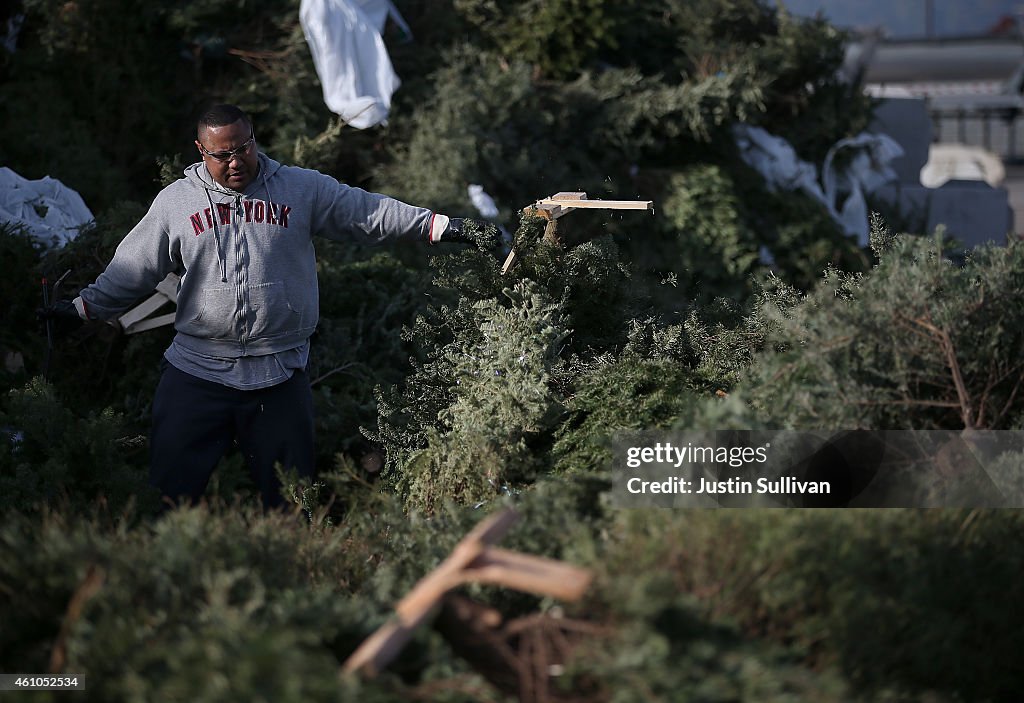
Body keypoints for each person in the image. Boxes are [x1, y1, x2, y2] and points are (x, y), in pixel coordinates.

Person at [40, 104, 489, 509]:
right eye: (221, 155)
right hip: (198, 373)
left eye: (243, 148)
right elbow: (132, 268)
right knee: (168, 499)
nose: (236, 162)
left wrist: (445, 227)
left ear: (253, 140)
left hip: (279, 374)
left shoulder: (300, 188)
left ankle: (294, 583)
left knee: (293, 501)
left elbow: (369, 213)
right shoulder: (176, 204)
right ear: (201, 151)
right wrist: (83, 309)